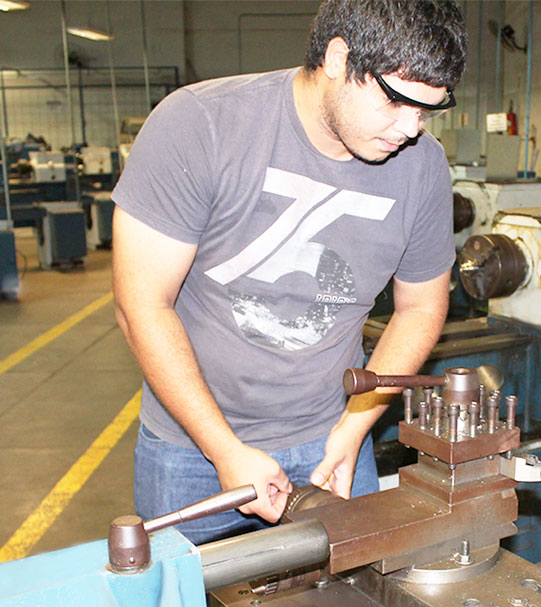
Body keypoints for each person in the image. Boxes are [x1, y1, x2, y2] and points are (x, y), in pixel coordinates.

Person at [111, 0, 468, 544]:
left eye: (428, 112)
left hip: (330, 442)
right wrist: (223, 449)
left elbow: (421, 306)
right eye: (397, 102)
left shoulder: (422, 168)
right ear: (337, 58)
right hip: (189, 449)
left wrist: (355, 426)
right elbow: (141, 305)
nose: (411, 130)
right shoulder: (201, 125)